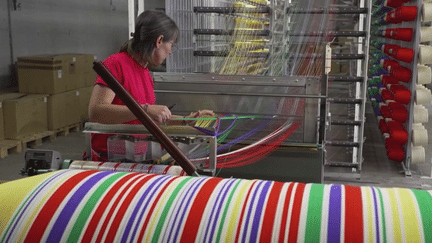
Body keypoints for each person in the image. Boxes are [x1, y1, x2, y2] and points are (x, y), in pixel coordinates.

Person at [87, 10, 214, 162]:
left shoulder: (145, 73)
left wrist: (186, 120)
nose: (171, 52)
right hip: (109, 159)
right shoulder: (115, 64)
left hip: (136, 157)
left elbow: (149, 119)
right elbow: (96, 112)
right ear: (159, 41)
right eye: (171, 45)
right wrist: (145, 109)